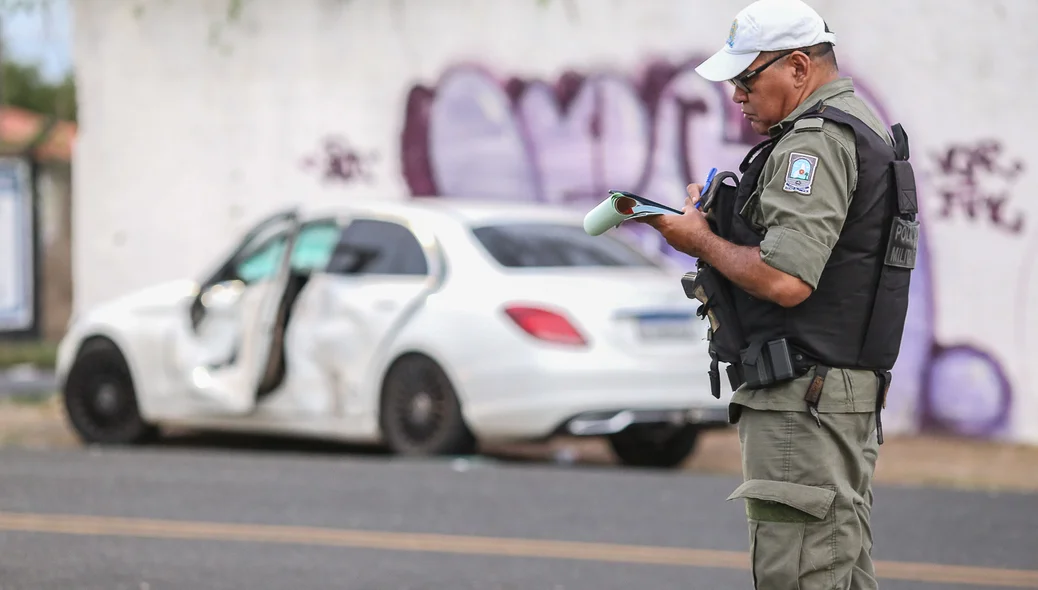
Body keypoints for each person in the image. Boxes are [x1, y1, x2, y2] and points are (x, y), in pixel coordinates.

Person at [636, 0, 919, 588]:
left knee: (801, 574)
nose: (736, 96)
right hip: (829, 391)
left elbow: (786, 279)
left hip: (804, 397)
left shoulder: (812, 144)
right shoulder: (854, 126)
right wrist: (720, 226)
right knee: (834, 570)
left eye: (746, 78)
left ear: (797, 67)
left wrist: (698, 242)